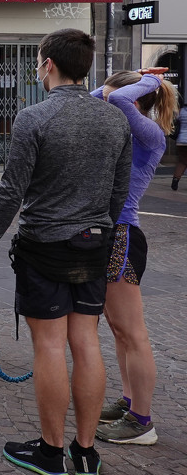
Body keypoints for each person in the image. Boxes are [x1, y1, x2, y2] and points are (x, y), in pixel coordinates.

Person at [0, 29, 131, 475]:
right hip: (95, 242)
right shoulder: (114, 120)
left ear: (49, 65)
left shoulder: (34, 117)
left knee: (52, 346)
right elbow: (119, 192)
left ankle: (53, 452)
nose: (38, 70)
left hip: (45, 245)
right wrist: (98, 225)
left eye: (38, 63)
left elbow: (11, 190)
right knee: (87, 343)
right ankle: (87, 452)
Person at [90, 69, 177, 446]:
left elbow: (117, 99)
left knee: (134, 332)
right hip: (112, 235)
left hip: (123, 235)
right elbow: (96, 98)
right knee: (119, 329)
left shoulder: (150, 132)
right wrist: (123, 84)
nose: (106, 103)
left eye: (117, 99)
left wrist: (150, 80)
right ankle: (129, 402)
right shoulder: (125, 127)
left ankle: (142, 420)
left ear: (136, 102)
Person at [173, 101, 187, 191]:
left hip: (181, 141)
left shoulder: (181, 111)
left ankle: (175, 179)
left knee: (182, 162)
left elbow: (174, 120)